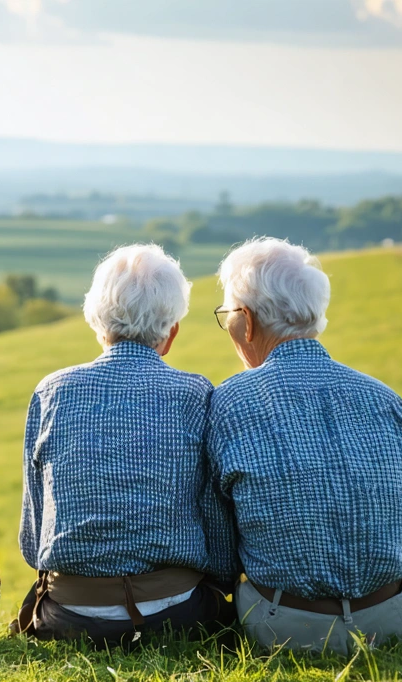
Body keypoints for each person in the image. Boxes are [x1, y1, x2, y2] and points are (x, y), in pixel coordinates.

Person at [206, 237, 402, 654]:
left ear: (248, 320)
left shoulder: (229, 402)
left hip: (284, 630)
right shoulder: (385, 398)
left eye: (228, 316)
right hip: (396, 623)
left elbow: (223, 561)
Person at [13, 243, 237, 648]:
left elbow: (33, 540)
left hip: (69, 618)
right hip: (177, 614)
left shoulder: (51, 391)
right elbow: (218, 538)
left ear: (97, 323)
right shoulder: (195, 394)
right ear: (171, 333)